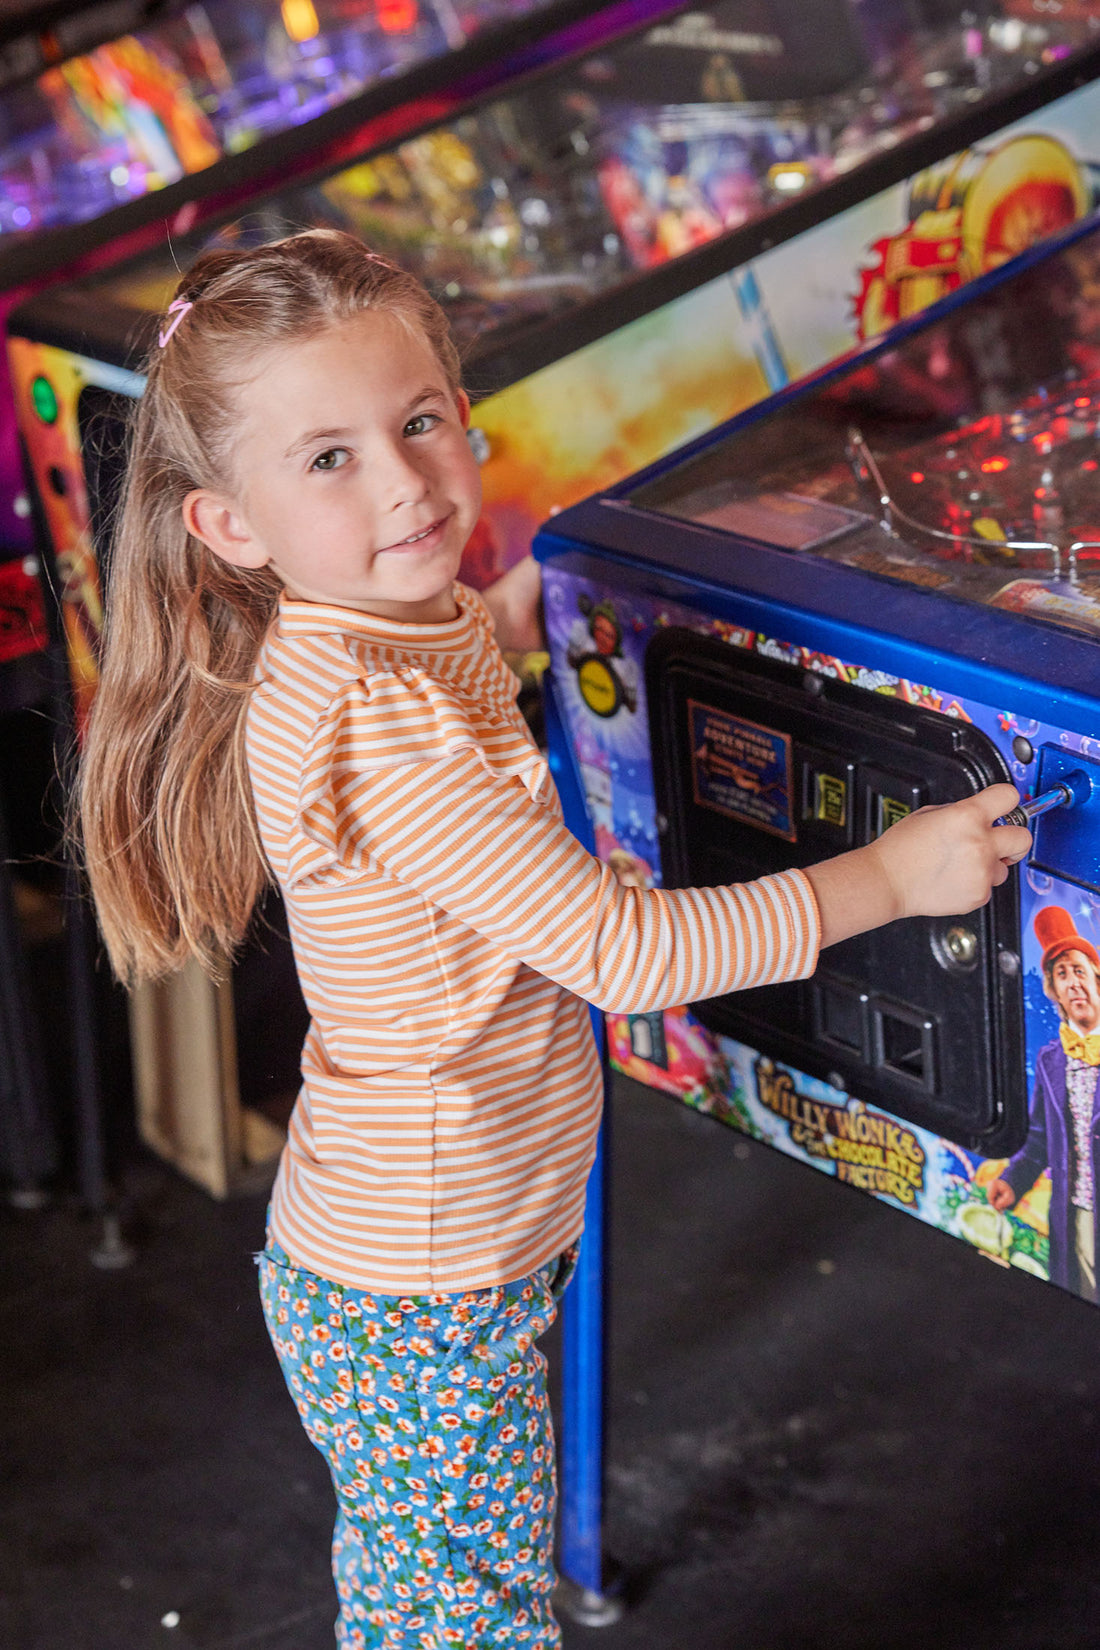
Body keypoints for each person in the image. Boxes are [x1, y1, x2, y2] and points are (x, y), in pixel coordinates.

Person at [76, 228, 1031, 1649]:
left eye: (416, 422)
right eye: (327, 457)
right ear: (229, 521)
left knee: (438, 1600)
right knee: (462, 1621)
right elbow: (626, 958)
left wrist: (516, 621)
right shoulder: (377, 726)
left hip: (432, 1248)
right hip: (423, 1285)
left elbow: (452, 649)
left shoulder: (377, 623)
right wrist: (889, 877)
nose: (403, 482)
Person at [988, 905, 1100, 1301]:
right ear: (1052, 988)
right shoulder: (1051, 1058)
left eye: (1079, 970)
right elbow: (1039, 1141)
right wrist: (1012, 1181)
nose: (1073, 984)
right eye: (1062, 974)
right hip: (1074, 1217)